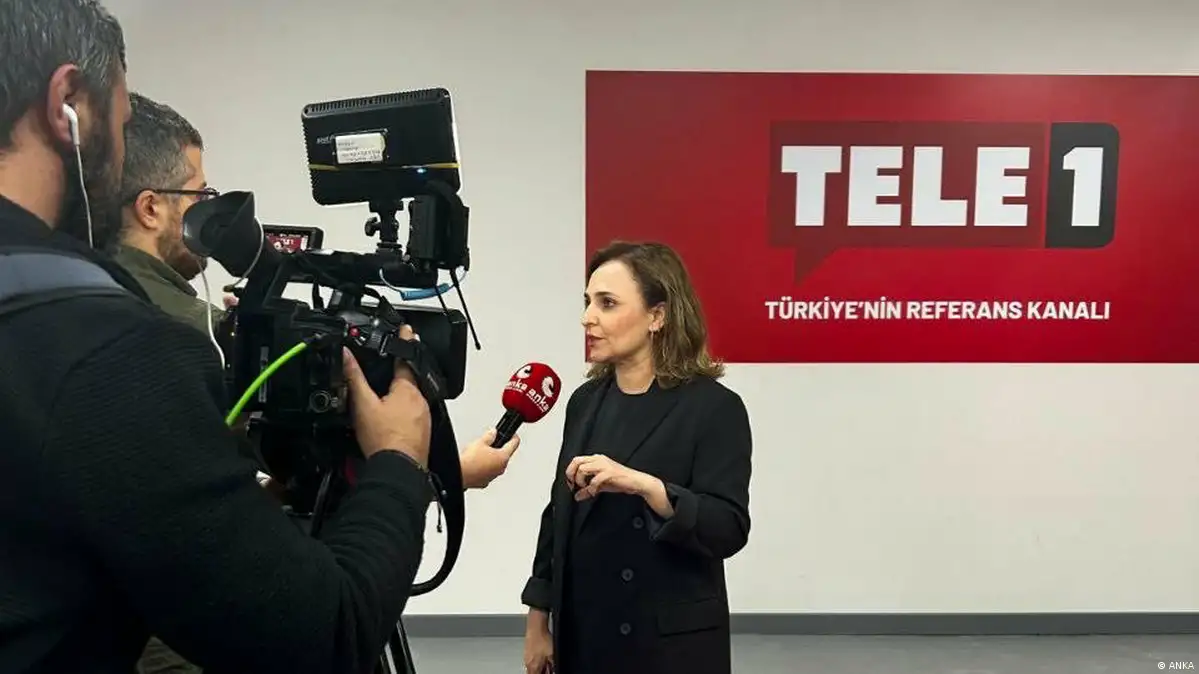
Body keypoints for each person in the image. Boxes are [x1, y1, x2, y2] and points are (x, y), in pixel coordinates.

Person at [0, 2, 511, 672]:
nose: (118, 159)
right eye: (120, 124)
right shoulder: (112, 351)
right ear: (67, 104)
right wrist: (398, 462)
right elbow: (323, 633)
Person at [521, 241, 753, 674]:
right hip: (586, 639)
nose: (588, 317)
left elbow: (728, 528)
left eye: (607, 303)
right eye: (588, 302)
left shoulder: (714, 408)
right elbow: (558, 517)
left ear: (657, 316)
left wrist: (648, 487)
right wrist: (538, 621)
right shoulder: (585, 402)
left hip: (668, 648)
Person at [110, 91, 224, 336]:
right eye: (198, 196)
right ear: (150, 208)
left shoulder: (59, 288)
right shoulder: (200, 330)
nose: (205, 209)